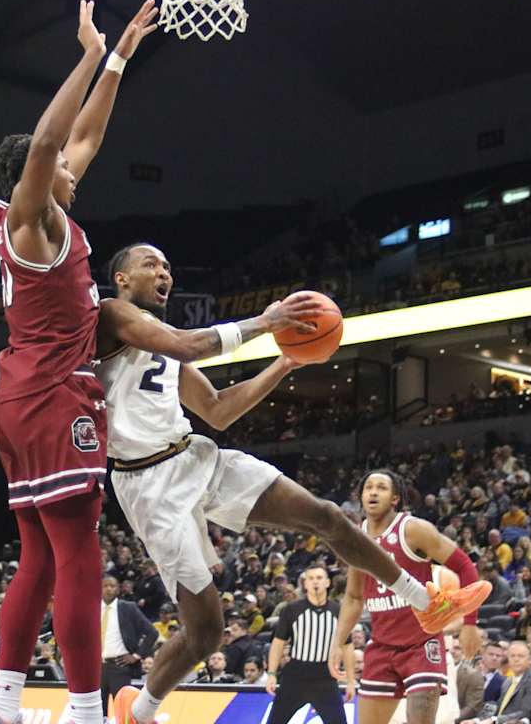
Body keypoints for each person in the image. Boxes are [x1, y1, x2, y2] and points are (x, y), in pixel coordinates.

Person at [96, 248, 488, 724]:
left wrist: (283, 362)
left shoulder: (164, 344)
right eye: (151, 264)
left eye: (168, 267)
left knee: (325, 515)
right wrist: (267, 321)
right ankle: (139, 710)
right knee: (206, 633)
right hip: (148, 485)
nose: (163, 272)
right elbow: (190, 345)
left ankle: (425, 600)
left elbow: (218, 409)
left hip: (192, 456)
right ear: (121, 277)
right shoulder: (112, 312)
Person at [0, 0, 159, 724]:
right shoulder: (32, 224)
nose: (76, 169)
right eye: (57, 168)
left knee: (38, 560)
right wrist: (82, 56)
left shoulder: (50, 212)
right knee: (81, 558)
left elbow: (82, 136)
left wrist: (116, 60)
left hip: (20, 401)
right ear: (34, 176)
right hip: (53, 400)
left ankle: (4, 702)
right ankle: (84, 709)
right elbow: (54, 140)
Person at [331, 469, 490, 724]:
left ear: (395, 499)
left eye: (381, 487)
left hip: (421, 646)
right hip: (381, 645)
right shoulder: (356, 538)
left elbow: (465, 567)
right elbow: (353, 598)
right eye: (368, 487)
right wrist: (338, 642)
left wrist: (470, 623)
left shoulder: (413, 529)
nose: (373, 491)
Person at [265, 565, 354, 724]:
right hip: (295, 675)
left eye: (319, 578)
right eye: (311, 578)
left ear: (327, 582)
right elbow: (278, 643)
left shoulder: (338, 611)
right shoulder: (291, 610)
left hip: (325, 677)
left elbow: (347, 646)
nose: (315, 582)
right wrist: (271, 673)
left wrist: (351, 681)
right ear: (305, 584)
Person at [100, 575, 158, 716]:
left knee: (122, 712)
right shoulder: (92, 608)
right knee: (96, 713)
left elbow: (152, 632)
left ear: (118, 589)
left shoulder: (128, 608)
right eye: (105, 586)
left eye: (112, 586)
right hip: (96, 668)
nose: (108, 589)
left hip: (119, 666)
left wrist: (136, 655)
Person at [460, 641, 531, 724]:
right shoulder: (508, 681)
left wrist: (495, 720)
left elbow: (526, 712)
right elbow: (497, 707)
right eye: (512, 656)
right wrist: (476, 721)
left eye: (520, 656)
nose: (516, 659)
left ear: (529, 660)